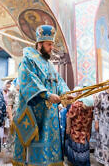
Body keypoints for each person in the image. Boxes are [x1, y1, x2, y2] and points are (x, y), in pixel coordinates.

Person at [12, 25, 73, 166]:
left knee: (49, 145)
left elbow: (59, 81)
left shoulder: (49, 65)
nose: (52, 47)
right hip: (35, 113)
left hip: (50, 114)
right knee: (36, 146)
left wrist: (65, 93)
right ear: (40, 44)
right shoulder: (28, 59)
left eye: (52, 44)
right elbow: (29, 80)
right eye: (49, 44)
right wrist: (46, 95)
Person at [65, 97, 93, 166]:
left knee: (85, 149)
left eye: (89, 107)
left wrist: (89, 131)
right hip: (76, 131)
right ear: (83, 103)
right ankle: (75, 163)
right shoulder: (75, 106)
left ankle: (83, 163)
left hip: (85, 131)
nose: (87, 108)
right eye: (85, 106)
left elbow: (91, 119)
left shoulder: (90, 107)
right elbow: (69, 117)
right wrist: (68, 128)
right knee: (75, 148)